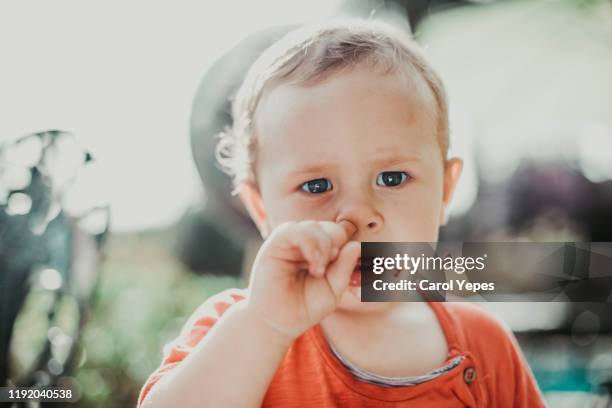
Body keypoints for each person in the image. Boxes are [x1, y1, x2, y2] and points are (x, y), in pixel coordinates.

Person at [138, 19, 546, 407]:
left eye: (392, 178)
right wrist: (266, 324)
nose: (358, 215)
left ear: (445, 190)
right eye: (316, 186)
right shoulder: (239, 331)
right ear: (261, 209)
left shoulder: (485, 343)